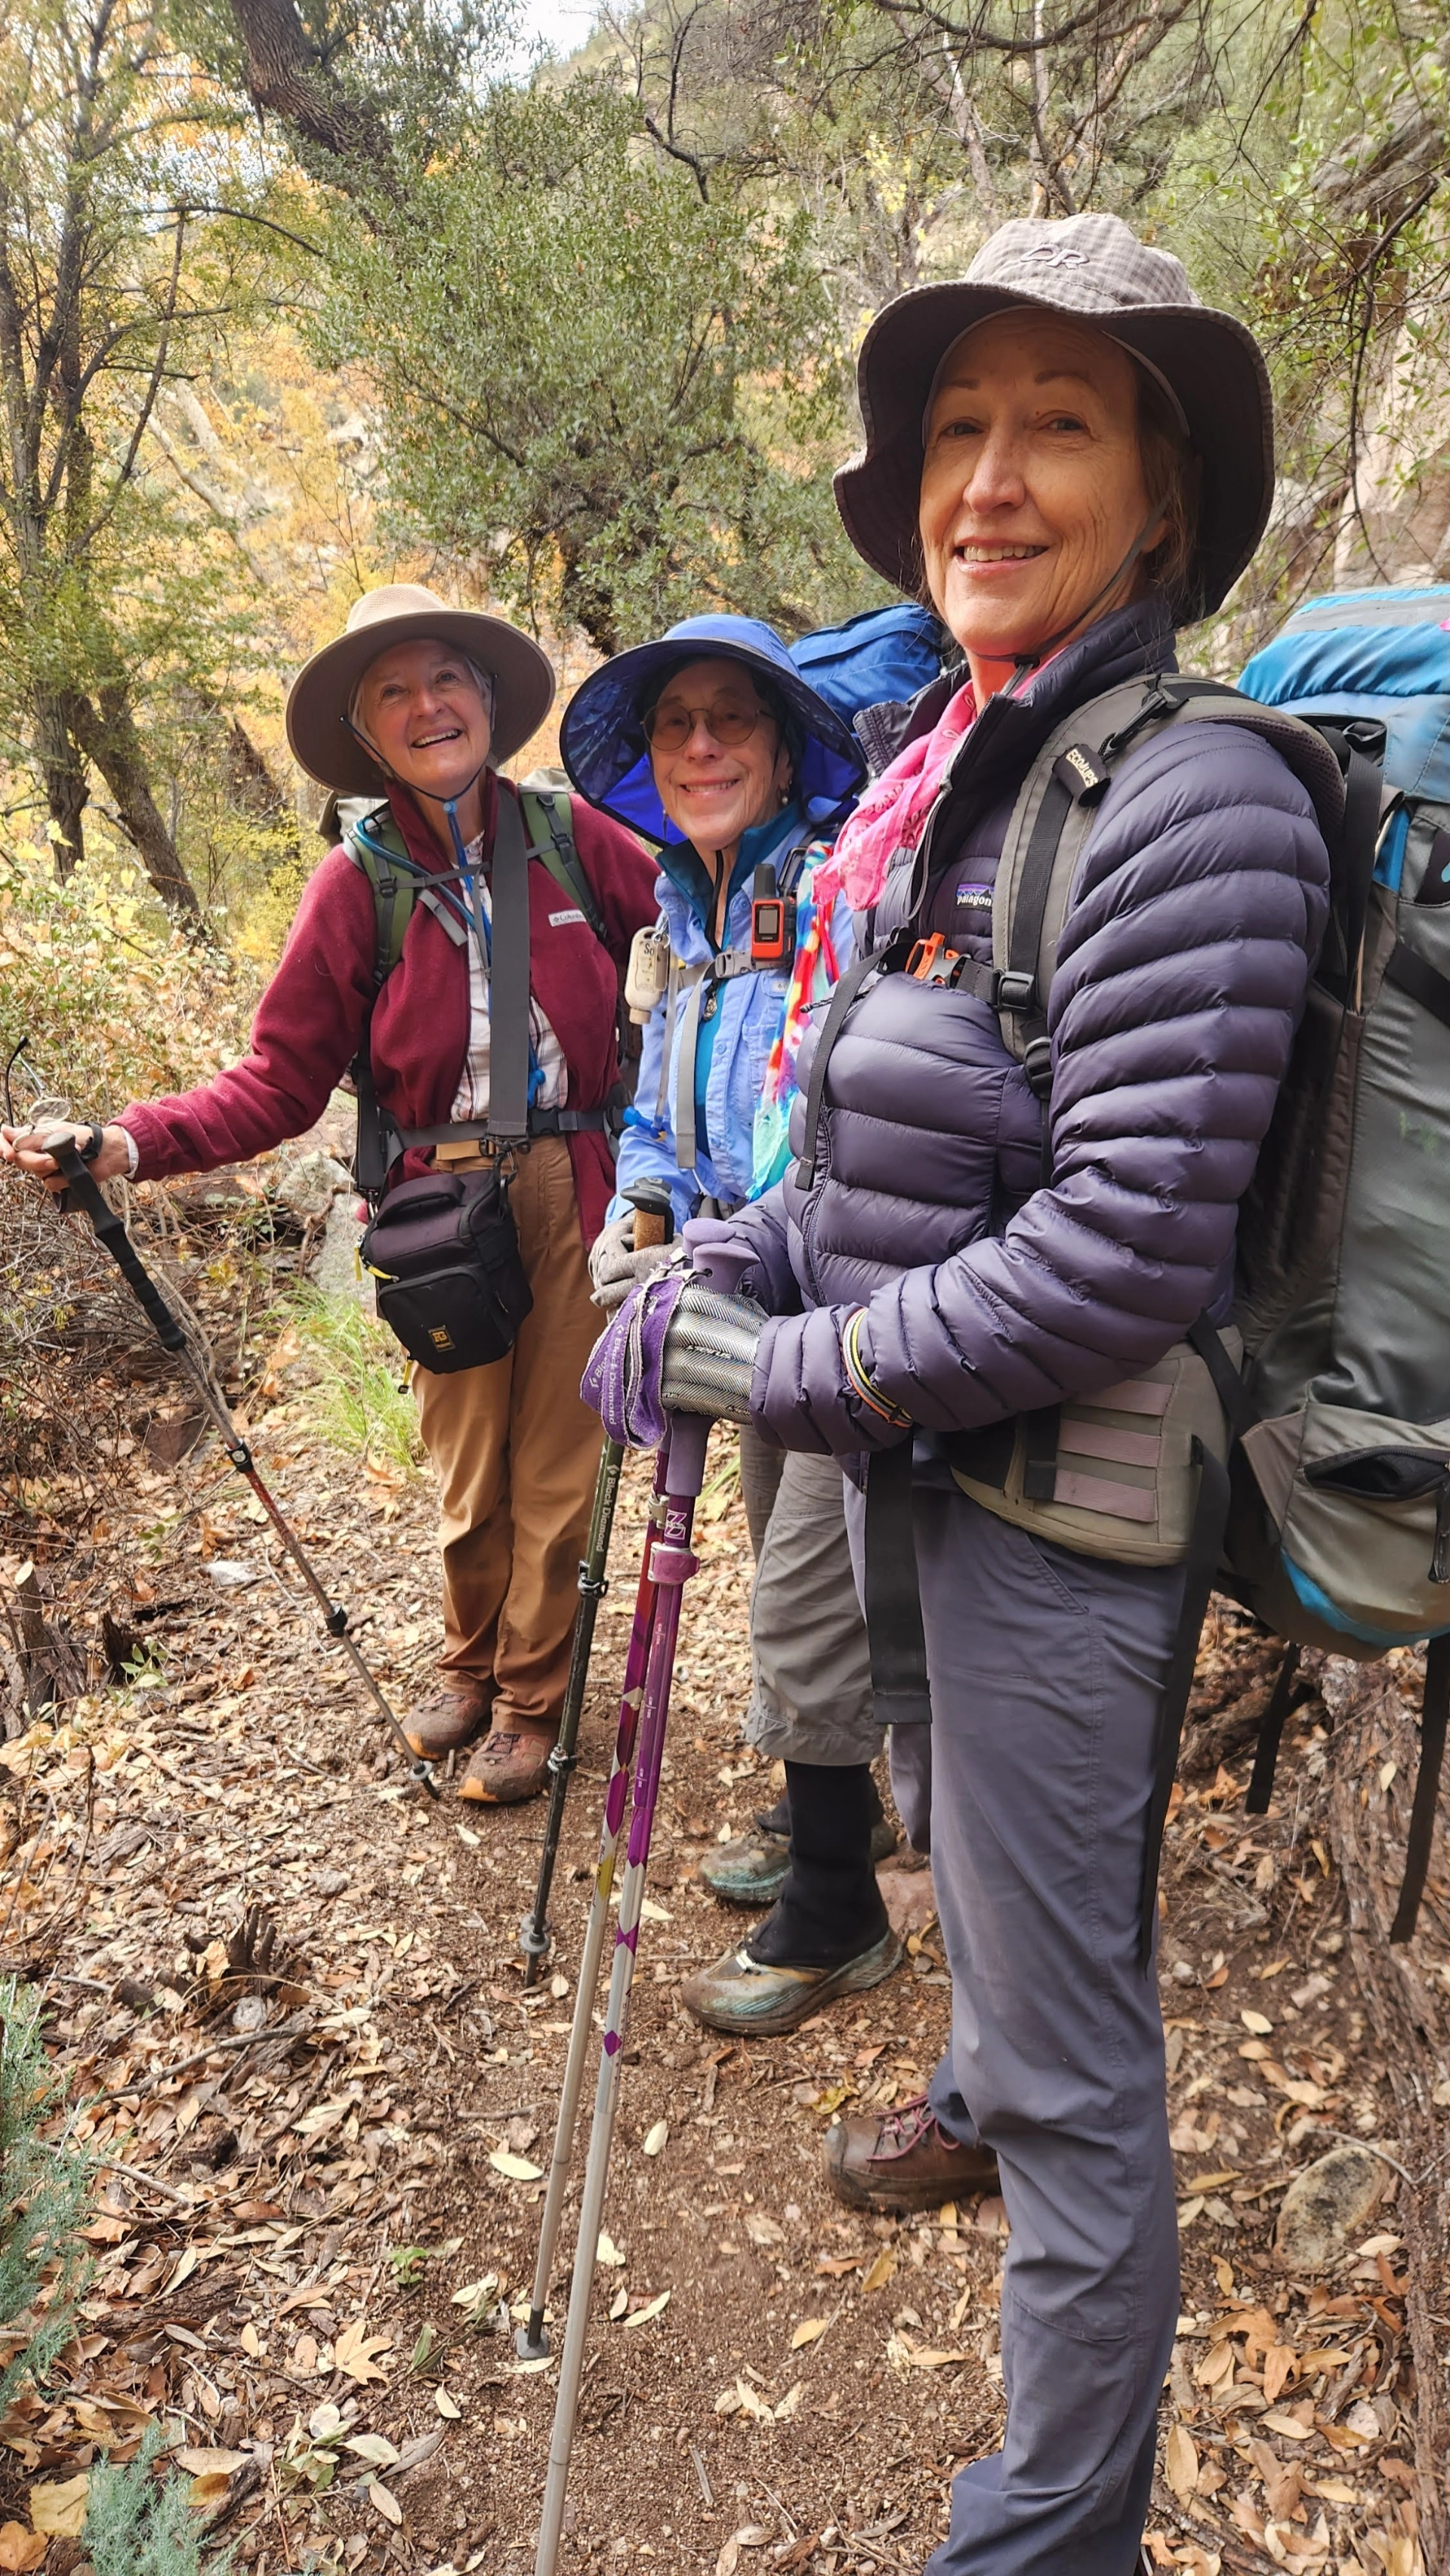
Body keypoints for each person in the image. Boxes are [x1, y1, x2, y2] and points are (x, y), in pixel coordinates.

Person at [584, 215, 1331, 2574]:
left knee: (1088, 2076)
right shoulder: (957, 784)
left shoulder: (1192, 800)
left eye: (1060, 425)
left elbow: (1120, 1248)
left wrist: (789, 1364)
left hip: (1063, 1517)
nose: (990, 479)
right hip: (932, 1480)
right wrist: (736, 1256)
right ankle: (971, 2073)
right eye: (958, 430)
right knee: (986, 1914)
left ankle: (1051, 2528)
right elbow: (881, 1155)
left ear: (1165, 492)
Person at [2, 585, 659, 1806]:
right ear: (366, 732)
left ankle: (529, 1695)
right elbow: (278, 1080)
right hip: (434, 1204)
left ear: (488, 698)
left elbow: (691, 945)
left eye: (447, 679)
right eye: (395, 693)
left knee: (560, 1462)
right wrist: (125, 1145)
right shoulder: (355, 886)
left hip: (578, 1180)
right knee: (470, 1477)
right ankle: (468, 1662)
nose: (428, 707)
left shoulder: (573, 841)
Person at [563, 615, 900, 2033]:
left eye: (731, 722)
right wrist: (642, 1203)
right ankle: (837, 1805)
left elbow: (818, 1112)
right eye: (676, 727)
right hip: (729, 1294)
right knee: (784, 1549)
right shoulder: (680, 916)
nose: (700, 747)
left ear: (780, 749)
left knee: (800, 1587)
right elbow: (658, 1101)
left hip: (827, 1296)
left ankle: (838, 1909)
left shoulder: (835, 885)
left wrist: (710, 1253)